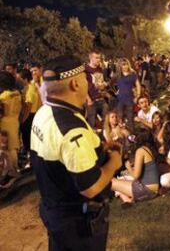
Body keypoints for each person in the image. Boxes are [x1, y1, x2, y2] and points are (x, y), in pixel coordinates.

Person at [30, 55, 122, 250]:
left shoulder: (44, 112)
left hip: (55, 212)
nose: (87, 83)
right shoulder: (71, 129)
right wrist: (113, 162)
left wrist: (98, 148)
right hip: (78, 225)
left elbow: (59, 155)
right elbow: (90, 186)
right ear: (74, 84)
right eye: (84, 79)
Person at [111, 127, 159, 203]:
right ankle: (127, 200)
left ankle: (127, 200)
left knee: (111, 181)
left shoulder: (140, 151)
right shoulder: (148, 149)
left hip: (146, 190)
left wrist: (128, 167)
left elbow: (136, 176)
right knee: (121, 180)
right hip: (153, 189)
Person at [0, 71, 22, 185]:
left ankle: (12, 172)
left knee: (7, 149)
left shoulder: (3, 96)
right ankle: (11, 170)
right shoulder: (17, 93)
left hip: (5, 123)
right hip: (15, 120)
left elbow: (2, 112)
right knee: (13, 147)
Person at [18, 69, 42, 157]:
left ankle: (29, 154)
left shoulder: (30, 89)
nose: (18, 79)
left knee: (27, 136)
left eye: (20, 77)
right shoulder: (29, 86)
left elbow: (29, 105)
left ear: (25, 79)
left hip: (30, 115)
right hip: (30, 114)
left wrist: (23, 119)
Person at [115, 58, 141, 129]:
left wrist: (137, 96)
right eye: (123, 65)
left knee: (130, 119)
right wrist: (116, 91)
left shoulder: (133, 74)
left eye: (126, 64)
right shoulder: (118, 75)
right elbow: (110, 83)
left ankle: (132, 135)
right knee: (119, 118)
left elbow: (138, 85)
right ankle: (122, 135)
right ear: (120, 66)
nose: (125, 66)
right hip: (120, 99)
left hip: (130, 99)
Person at [86, 50, 109, 129]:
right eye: (96, 58)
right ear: (90, 58)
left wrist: (104, 85)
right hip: (91, 100)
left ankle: (105, 137)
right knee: (91, 123)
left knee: (105, 120)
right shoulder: (85, 70)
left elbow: (102, 81)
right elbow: (83, 86)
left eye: (99, 58)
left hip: (101, 98)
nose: (98, 60)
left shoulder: (100, 69)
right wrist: (88, 99)